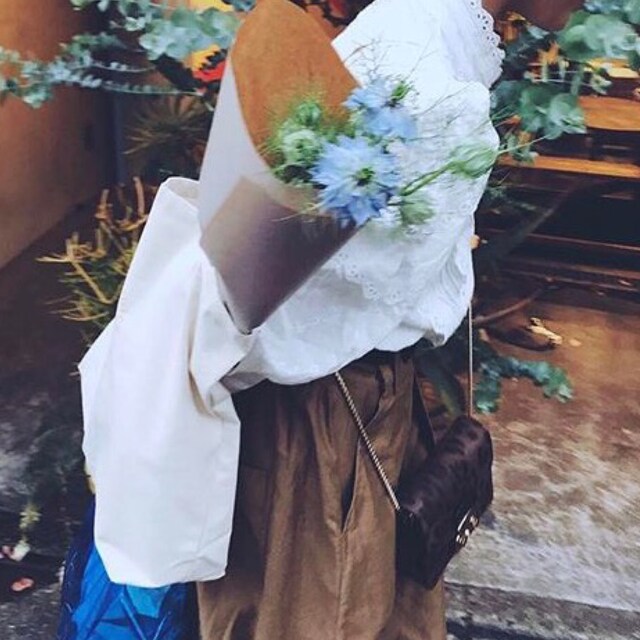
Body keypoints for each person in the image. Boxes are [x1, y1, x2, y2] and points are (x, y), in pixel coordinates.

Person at [58, 1, 583, 639]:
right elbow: (290, 295)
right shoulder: (421, 68)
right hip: (326, 421)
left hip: (349, 405)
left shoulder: (416, 35)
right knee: (321, 614)